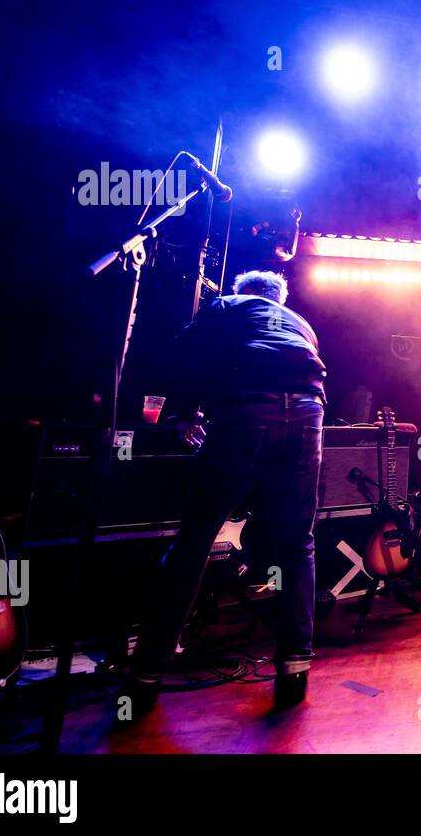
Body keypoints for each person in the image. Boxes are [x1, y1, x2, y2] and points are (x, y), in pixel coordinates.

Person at [122, 270, 326, 714]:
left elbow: (186, 354)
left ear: (243, 293)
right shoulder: (300, 323)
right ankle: (294, 669)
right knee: (297, 544)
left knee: (193, 541)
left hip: (248, 412)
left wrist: (183, 412)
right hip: (310, 416)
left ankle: (146, 675)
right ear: (280, 299)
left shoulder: (229, 306)